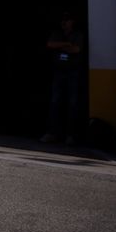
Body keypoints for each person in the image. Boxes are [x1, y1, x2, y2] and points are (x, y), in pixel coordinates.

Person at [42, 11, 85, 145]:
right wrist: (67, 44)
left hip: (73, 73)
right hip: (59, 72)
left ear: (72, 22)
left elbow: (77, 49)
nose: (64, 23)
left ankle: (71, 135)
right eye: (62, 20)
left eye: (67, 20)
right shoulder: (57, 34)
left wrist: (60, 46)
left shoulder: (78, 35)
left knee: (72, 103)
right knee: (55, 102)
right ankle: (52, 133)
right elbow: (50, 44)